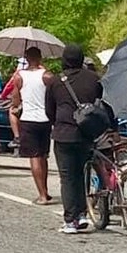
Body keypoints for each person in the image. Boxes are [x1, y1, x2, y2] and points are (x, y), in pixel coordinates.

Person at [46, 44, 105, 234]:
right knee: (82, 174)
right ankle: (82, 214)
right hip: (87, 133)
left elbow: (49, 110)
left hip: (64, 133)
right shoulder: (94, 79)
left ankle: (70, 220)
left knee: (67, 177)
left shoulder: (56, 81)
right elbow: (100, 103)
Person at [9, 46, 54, 204]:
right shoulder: (47, 76)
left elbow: (15, 101)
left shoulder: (19, 77)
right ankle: (46, 190)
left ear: (26, 58)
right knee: (43, 156)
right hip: (46, 119)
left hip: (29, 120)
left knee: (34, 157)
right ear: (40, 58)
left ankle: (41, 194)